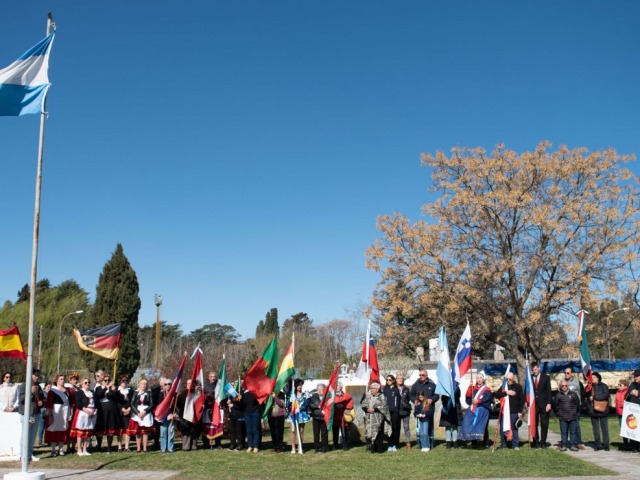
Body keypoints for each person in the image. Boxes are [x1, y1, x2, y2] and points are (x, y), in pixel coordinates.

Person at [16, 368, 45, 463]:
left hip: (36, 413)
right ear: (31, 375)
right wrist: (30, 393)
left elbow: (43, 398)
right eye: (35, 375)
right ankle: (23, 455)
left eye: (38, 376)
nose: (37, 377)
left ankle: (29, 454)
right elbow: (20, 399)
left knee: (32, 436)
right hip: (27, 414)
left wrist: (42, 402)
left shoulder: (39, 387)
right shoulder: (23, 386)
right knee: (25, 435)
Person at [459, 371, 493, 446]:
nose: (479, 379)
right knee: (473, 425)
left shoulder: (487, 389)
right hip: (474, 409)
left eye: (480, 378)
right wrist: (469, 387)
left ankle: (486, 442)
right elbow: (468, 397)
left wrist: (479, 401)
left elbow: (488, 399)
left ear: (483, 379)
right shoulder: (473, 388)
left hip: (483, 410)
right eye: (477, 378)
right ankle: (474, 442)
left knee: (484, 426)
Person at [494, 372, 524, 450]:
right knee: (503, 428)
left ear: (513, 378)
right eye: (507, 379)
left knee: (514, 428)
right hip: (504, 411)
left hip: (514, 411)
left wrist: (520, 411)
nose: (508, 381)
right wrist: (507, 393)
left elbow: (522, 400)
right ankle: (503, 443)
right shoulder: (504, 387)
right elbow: (497, 395)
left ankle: (515, 444)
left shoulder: (518, 387)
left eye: (510, 379)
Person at [94, 373, 124, 453]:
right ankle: (99, 447)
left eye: (108, 380)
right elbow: (98, 396)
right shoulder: (98, 388)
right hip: (102, 410)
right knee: (101, 429)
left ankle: (109, 448)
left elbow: (118, 398)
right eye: (105, 380)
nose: (107, 382)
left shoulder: (112, 388)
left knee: (110, 430)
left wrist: (114, 390)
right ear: (102, 381)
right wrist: (106, 388)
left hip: (111, 410)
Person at [409, 369, 439, 446]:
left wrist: (432, 399)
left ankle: (431, 443)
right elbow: (411, 394)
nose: (421, 376)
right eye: (420, 375)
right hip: (419, 411)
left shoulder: (432, 384)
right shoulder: (416, 385)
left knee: (429, 427)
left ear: (426, 375)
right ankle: (420, 444)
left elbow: (437, 395)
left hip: (429, 410)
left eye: (423, 375)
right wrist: (414, 400)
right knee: (420, 429)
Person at [44, 373, 72, 456]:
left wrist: (70, 413)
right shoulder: (52, 391)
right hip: (56, 412)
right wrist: (50, 415)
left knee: (62, 430)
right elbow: (49, 404)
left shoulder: (66, 391)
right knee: (54, 430)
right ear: (57, 381)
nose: (63, 381)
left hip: (64, 412)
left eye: (63, 379)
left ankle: (61, 449)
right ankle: (53, 449)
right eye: (61, 379)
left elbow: (69, 403)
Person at [70, 377, 97, 456]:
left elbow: (95, 403)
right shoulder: (80, 392)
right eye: (85, 382)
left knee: (87, 432)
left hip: (91, 413)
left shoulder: (92, 392)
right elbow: (78, 404)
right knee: (81, 432)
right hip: (83, 413)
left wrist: (94, 412)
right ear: (82, 384)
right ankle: (79, 449)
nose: (87, 384)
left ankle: (85, 449)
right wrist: (86, 411)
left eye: (88, 382)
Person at [127, 377, 155, 453]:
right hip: (137, 413)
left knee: (145, 432)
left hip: (146, 414)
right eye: (142, 384)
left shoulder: (149, 393)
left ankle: (145, 448)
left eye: (145, 384)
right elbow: (132, 404)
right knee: (138, 432)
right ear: (139, 384)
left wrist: (145, 411)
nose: (144, 385)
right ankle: (138, 448)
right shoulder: (136, 393)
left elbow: (152, 404)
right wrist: (137, 412)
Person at [361, 381, 389, 453]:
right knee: (370, 432)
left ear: (377, 389)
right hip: (369, 418)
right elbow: (363, 404)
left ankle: (379, 448)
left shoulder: (381, 396)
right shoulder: (368, 396)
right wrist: (367, 409)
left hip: (378, 418)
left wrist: (375, 409)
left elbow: (384, 406)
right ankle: (373, 448)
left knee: (379, 433)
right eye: (371, 388)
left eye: (373, 388)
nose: (371, 390)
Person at [553, 379, 581, 451]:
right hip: (562, 417)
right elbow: (555, 406)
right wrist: (558, 413)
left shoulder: (573, 394)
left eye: (566, 385)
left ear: (568, 386)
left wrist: (575, 412)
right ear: (560, 387)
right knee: (564, 432)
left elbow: (577, 404)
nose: (564, 387)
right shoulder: (558, 395)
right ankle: (564, 445)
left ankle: (573, 445)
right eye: (563, 386)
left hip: (572, 416)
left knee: (573, 432)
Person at [563, 367, 586, 449]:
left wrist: (580, 403)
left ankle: (578, 442)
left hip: (575, 408)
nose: (566, 374)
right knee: (566, 426)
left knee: (576, 425)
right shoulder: (563, 382)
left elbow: (582, 393)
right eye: (565, 373)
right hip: (565, 408)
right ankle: (566, 442)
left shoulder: (577, 382)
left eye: (568, 373)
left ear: (572, 374)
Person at [531, 362, 552, 448]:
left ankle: (543, 442)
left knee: (544, 424)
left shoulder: (545, 377)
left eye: (535, 369)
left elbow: (549, 391)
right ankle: (536, 442)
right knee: (534, 423)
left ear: (538, 368)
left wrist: (549, 403)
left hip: (544, 404)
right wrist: (527, 402)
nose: (534, 371)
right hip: (534, 405)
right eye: (533, 370)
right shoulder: (530, 378)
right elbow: (527, 391)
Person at [175, 379, 200, 451]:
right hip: (185, 415)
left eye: (191, 383)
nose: (189, 385)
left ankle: (194, 446)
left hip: (195, 415)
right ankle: (186, 447)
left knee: (194, 430)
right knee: (186, 431)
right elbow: (178, 405)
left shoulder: (196, 394)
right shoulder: (182, 394)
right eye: (188, 384)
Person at [286, 378, 310, 453]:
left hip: (302, 414)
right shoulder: (291, 394)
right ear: (295, 386)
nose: (300, 387)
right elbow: (287, 404)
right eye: (298, 385)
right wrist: (290, 401)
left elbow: (307, 404)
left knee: (301, 431)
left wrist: (300, 409)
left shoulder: (305, 394)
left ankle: (300, 447)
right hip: (292, 414)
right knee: (293, 431)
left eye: (301, 385)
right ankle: (293, 448)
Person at [588, 371, 610, 451]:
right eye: (591, 377)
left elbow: (605, 395)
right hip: (593, 411)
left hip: (603, 410)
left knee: (604, 429)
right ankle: (598, 444)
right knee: (595, 429)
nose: (592, 379)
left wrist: (594, 397)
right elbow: (585, 395)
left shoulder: (604, 386)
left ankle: (606, 445)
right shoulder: (590, 386)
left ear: (598, 378)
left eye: (594, 377)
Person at [202, 371, 222, 449]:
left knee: (217, 425)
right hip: (207, 409)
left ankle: (218, 444)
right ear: (208, 377)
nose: (213, 378)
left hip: (217, 409)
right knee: (206, 426)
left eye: (214, 376)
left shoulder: (219, 385)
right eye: (211, 376)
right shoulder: (205, 386)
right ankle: (206, 444)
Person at [156, 378, 176, 453]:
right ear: (163, 386)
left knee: (171, 432)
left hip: (171, 415)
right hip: (162, 416)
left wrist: (173, 414)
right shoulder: (161, 394)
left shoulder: (174, 394)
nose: (167, 386)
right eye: (165, 384)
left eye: (169, 384)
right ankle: (163, 448)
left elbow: (176, 406)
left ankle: (170, 448)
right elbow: (159, 406)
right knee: (163, 432)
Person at [332, 381, 354, 451]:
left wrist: (343, 406)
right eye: (336, 386)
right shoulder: (332, 396)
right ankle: (335, 445)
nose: (336, 387)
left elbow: (350, 404)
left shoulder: (346, 395)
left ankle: (345, 445)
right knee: (335, 432)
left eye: (337, 385)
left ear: (341, 387)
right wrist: (335, 406)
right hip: (335, 417)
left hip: (343, 418)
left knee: (344, 432)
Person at [239, 386, 261, 452]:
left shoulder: (256, 390)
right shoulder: (243, 391)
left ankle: (256, 446)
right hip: (246, 413)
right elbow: (242, 404)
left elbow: (260, 401)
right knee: (248, 430)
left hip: (255, 412)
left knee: (255, 429)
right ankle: (250, 446)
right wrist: (240, 399)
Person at [308, 383, 329, 453]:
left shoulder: (327, 396)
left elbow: (329, 405)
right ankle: (316, 448)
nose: (319, 390)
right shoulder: (314, 396)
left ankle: (324, 448)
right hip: (316, 417)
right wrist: (318, 406)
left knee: (324, 433)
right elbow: (310, 405)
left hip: (324, 417)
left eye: (321, 389)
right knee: (316, 433)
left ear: (324, 389)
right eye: (318, 389)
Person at [383, 374, 401, 452]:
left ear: (393, 381)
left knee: (394, 428)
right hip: (387, 412)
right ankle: (389, 444)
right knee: (388, 428)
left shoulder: (396, 390)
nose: (388, 381)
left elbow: (398, 401)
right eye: (387, 380)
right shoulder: (385, 389)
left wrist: (397, 410)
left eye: (390, 380)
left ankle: (394, 444)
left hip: (395, 412)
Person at [625, 369, 640, 452]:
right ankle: (634, 446)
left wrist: (637, 393)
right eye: (634, 376)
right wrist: (633, 393)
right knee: (633, 428)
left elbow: (638, 394)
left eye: (637, 376)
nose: (635, 378)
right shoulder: (633, 384)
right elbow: (628, 394)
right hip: (633, 411)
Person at [117, 375, 134, 451]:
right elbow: (116, 402)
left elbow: (132, 401)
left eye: (125, 381)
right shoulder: (117, 391)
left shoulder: (130, 390)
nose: (124, 382)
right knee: (120, 429)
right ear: (120, 381)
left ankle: (127, 446)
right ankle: (120, 446)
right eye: (122, 381)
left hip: (129, 411)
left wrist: (129, 408)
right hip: (120, 411)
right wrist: (122, 409)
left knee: (128, 429)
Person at [396, 374, 412, 449]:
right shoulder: (394, 389)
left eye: (402, 378)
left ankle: (408, 442)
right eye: (399, 378)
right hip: (396, 411)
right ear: (396, 379)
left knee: (406, 427)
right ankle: (396, 442)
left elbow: (410, 398)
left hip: (405, 411)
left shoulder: (407, 389)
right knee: (396, 428)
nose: (400, 380)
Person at [227, 386, 245, 451]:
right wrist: (227, 402)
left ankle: (240, 444)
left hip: (239, 415)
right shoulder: (231, 396)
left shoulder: (241, 395)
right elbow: (225, 403)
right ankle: (233, 444)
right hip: (231, 415)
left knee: (239, 431)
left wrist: (233, 405)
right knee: (232, 431)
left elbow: (242, 405)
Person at [616, 378, 630, 451]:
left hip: (626, 413)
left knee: (629, 429)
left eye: (620, 385)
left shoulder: (627, 392)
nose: (618, 386)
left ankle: (632, 444)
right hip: (619, 413)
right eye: (618, 385)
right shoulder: (618, 392)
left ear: (625, 386)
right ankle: (625, 444)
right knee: (622, 429)